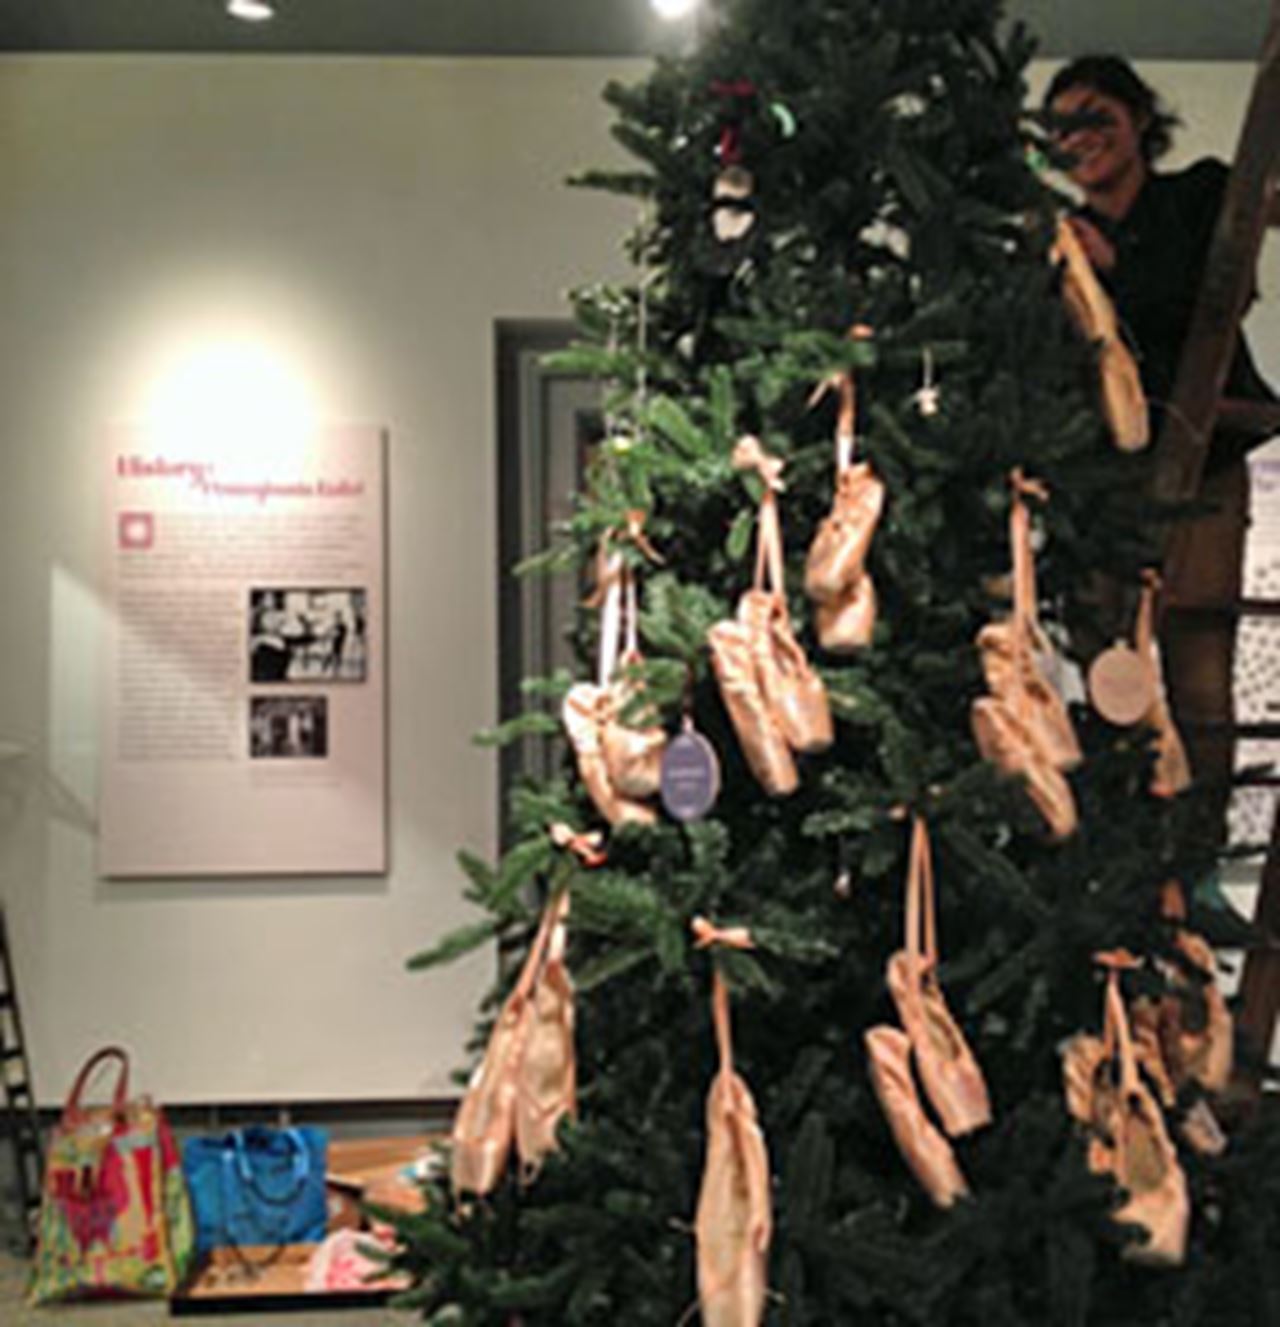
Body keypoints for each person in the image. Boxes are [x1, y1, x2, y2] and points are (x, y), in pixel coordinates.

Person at [1045, 55, 1278, 819]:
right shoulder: (1057, 239)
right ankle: (1126, 844)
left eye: (1096, 116)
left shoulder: (1197, 195)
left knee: (1198, 660)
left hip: (1204, 462)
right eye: (1062, 125)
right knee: (1105, 657)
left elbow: (1220, 296)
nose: (1080, 138)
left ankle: (1199, 848)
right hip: (1105, 478)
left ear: (1139, 117)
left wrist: (1118, 265)